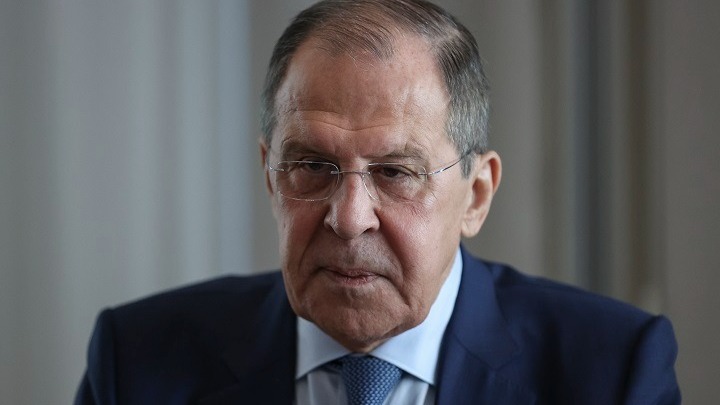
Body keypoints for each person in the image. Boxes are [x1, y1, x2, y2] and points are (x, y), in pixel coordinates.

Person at [74, 0, 680, 404]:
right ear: (270, 177)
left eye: (395, 172)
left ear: (476, 196)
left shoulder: (613, 372)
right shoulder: (137, 362)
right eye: (312, 166)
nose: (349, 218)